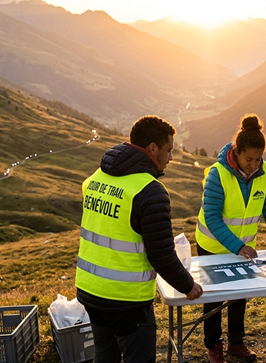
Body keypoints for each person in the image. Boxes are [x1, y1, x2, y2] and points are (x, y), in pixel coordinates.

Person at [76, 115, 203, 363]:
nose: (171, 157)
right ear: (153, 149)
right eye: (169, 150)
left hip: (90, 289)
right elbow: (162, 255)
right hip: (126, 299)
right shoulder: (149, 190)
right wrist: (188, 286)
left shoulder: (95, 179)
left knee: (105, 355)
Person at [195, 114, 266, 363]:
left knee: (240, 296)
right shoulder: (218, 174)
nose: (254, 164)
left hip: (245, 246)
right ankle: (213, 345)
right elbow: (213, 218)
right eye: (249, 159)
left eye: (258, 159)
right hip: (213, 246)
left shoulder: (264, 171)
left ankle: (236, 343)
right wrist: (238, 247)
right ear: (236, 152)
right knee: (214, 299)